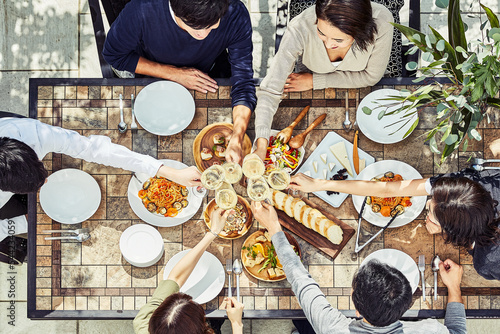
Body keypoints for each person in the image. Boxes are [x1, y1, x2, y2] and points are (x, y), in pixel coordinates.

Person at [251, 201, 467, 334]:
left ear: (355, 308)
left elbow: (300, 281)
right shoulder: (429, 330)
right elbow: (457, 331)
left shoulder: (333, 328)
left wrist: (273, 227)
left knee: (303, 321)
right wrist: (454, 287)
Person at [0, 117, 201, 243]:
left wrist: (167, 171)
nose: (46, 182)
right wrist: (19, 224)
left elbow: (95, 149)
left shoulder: (33, 134)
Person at [103, 0, 256, 164]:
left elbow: (244, 81)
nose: (203, 35)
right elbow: (114, 55)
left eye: (212, 26)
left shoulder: (235, 13)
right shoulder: (142, 9)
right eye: (195, 28)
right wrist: (173, 73)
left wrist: (237, 135)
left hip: (208, 76)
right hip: (152, 79)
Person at [289, 168, 500, 281]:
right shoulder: (463, 186)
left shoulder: (488, 262)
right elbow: (389, 189)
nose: (427, 204)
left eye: (431, 213)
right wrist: (320, 184)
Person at [253, 0, 393, 160]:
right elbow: (270, 89)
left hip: (327, 85)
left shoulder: (381, 21)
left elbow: (371, 76)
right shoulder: (300, 27)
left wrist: (315, 81)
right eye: (321, 33)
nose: (327, 44)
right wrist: (262, 143)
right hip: (306, 84)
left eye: (338, 40)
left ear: (360, 30)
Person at [133, 208, 244, 334]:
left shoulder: (143, 322)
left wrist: (213, 232)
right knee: (216, 324)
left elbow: (175, 278)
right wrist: (236, 324)